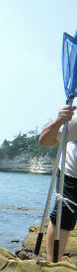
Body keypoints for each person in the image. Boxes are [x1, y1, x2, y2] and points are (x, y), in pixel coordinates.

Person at [39, 105, 77, 262]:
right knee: (63, 218)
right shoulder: (75, 120)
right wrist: (60, 120)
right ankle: (53, 263)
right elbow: (45, 140)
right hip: (71, 174)